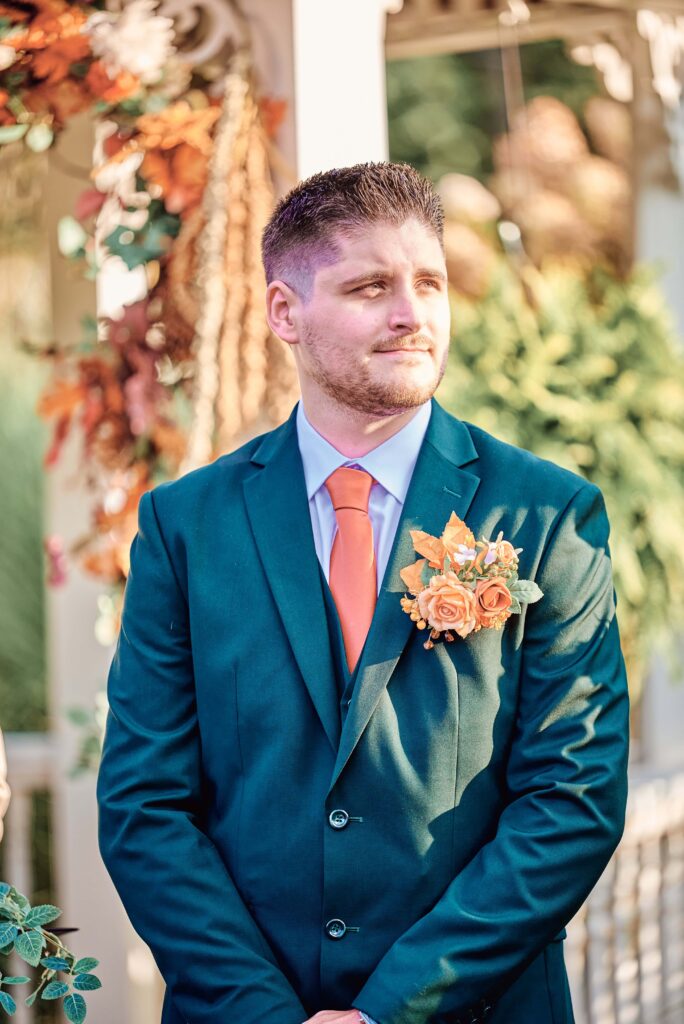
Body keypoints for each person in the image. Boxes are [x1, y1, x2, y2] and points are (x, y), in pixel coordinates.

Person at [96, 161, 630, 1024]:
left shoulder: (548, 514)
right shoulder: (185, 528)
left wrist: (394, 1010)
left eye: (429, 283)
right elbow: (144, 806)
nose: (411, 314)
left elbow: (571, 798)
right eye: (371, 285)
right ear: (285, 312)